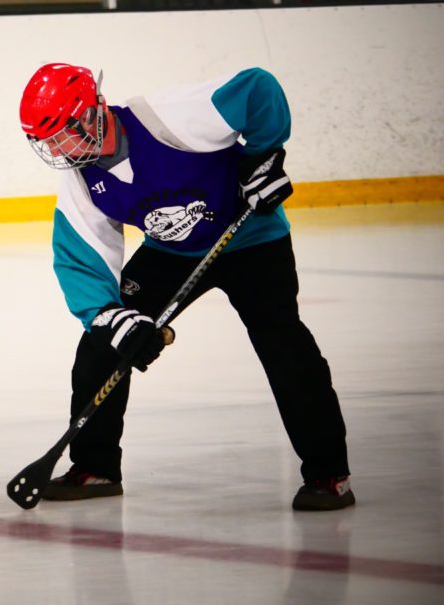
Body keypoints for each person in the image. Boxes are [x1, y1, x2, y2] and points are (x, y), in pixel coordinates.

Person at [18, 63, 355, 511]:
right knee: (102, 347)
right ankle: (95, 468)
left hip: (251, 237)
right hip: (171, 253)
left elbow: (257, 88)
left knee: (283, 344)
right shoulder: (82, 178)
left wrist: (263, 155)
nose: (60, 150)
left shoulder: (170, 117)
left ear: (93, 112)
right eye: (50, 142)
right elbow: (81, 259)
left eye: (63, 134)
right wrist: (115, 319)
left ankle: (328, 473)